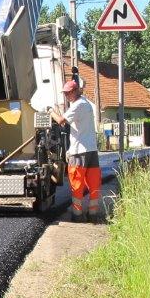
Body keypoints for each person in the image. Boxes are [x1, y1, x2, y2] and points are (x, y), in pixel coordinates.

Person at [55, 78, 102, 220]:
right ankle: (93, 214)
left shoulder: (77, 105)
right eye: (65, 93)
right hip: (91, 150)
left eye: (68, 93)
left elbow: (60, 121)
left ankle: (77, 215)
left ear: (76, 91)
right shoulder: (86, 104)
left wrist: (51, 111)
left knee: (77, 183)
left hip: (79, 151)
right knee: (93, 182)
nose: (66, 96)